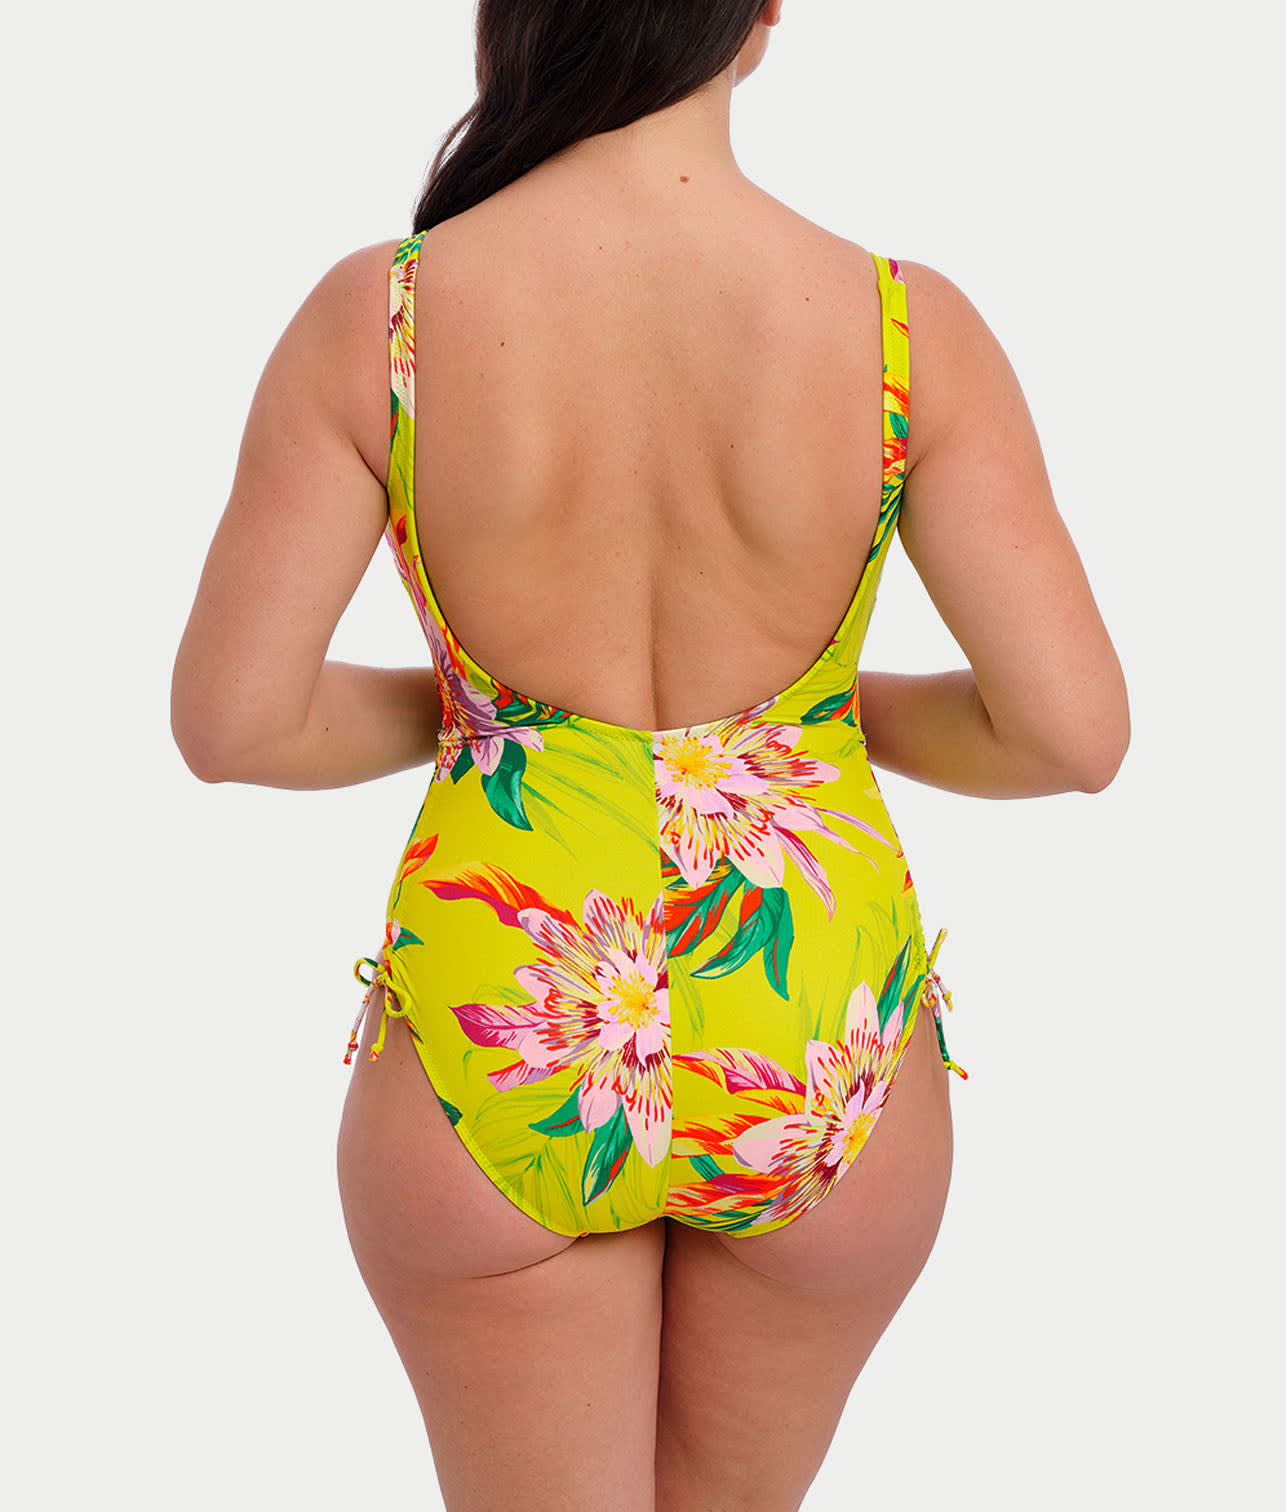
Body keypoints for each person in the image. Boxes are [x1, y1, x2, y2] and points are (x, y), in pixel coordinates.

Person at [171, 2, 1130, 1507]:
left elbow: (236, 724)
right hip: (811, 1024)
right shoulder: (902, 327)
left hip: (511, 1011)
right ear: (759, 16)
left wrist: (518, 730)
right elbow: (1069, 736)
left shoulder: (384, 316)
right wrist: (794, 728)